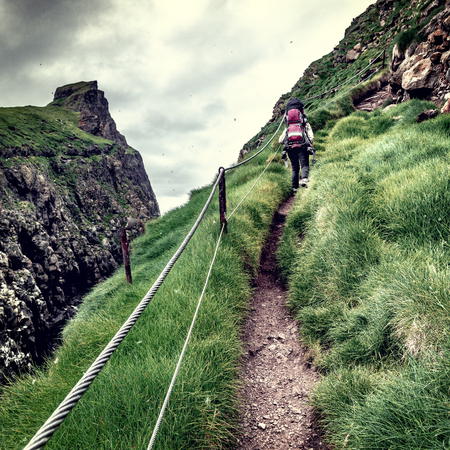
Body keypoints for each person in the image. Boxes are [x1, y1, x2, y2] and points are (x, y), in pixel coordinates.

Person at [278, 97, 314, 193]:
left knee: (295, 168)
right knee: (304, 165)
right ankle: (304, 180)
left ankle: (295, 189)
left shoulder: (288, 127)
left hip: (290, 149)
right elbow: (311, 137)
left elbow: (280, 140)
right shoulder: (305, 125)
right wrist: (309, 144)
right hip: (302, 146)